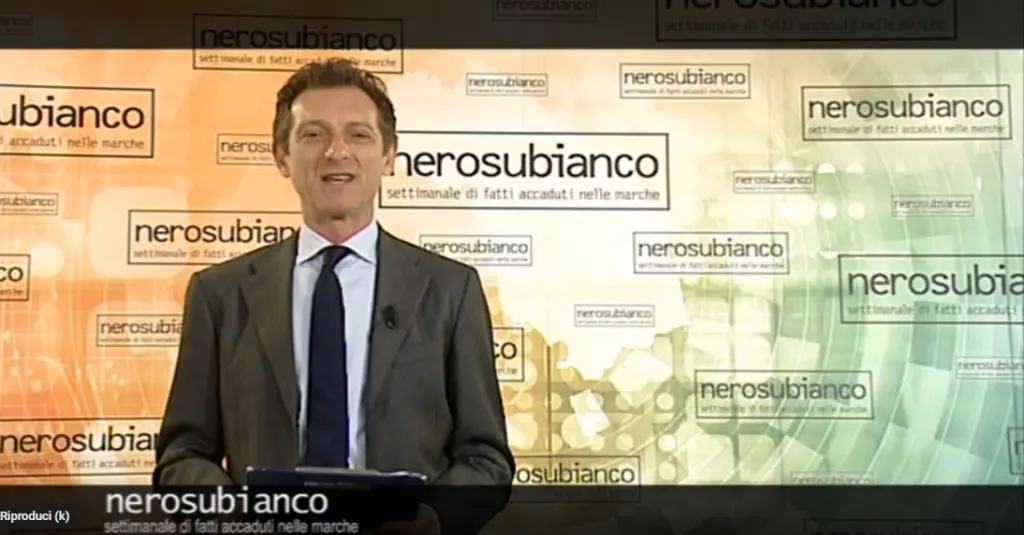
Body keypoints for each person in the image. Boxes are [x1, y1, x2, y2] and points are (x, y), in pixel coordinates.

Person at [154, 58, 515, 535]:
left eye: (358, 135)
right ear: (281, 156)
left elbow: (486, 458)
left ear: (389, 156)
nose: (336, 151)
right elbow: (182, 455)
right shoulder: (219, 293)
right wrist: (236, 517)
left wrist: (429, 522)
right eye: (313, 134)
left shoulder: (451, 289)